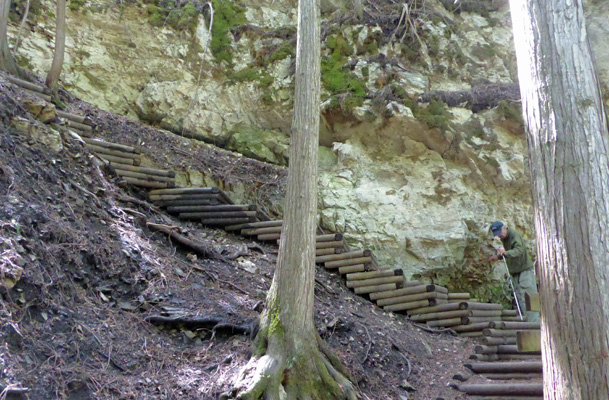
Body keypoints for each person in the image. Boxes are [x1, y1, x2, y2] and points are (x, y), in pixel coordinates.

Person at [488, 221, 540, 322]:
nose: (499, 235)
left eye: (500, 232)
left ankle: (536, 324)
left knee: (529, 296)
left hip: (525, 270)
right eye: (497, 234)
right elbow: (507, 253)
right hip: (515, 272)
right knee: (521, 298)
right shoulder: (504, 238)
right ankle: (528, 322)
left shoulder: (513, 235)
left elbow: (519, 250)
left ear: (504, 228)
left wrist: (505, 252)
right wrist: (498, 257)